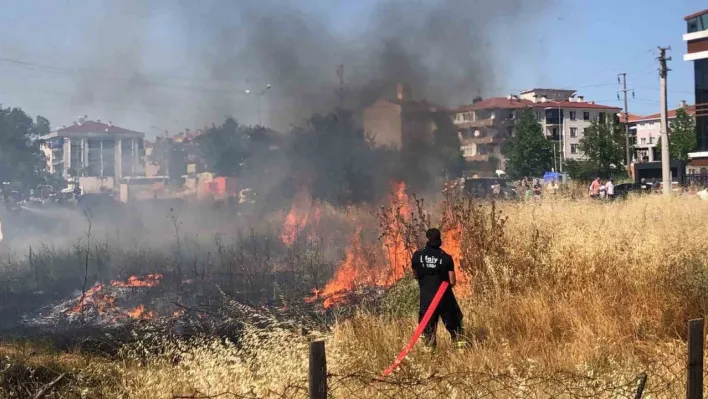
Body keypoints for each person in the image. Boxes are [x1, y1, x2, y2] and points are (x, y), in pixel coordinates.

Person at [412, 228, 465, 352]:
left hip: (426, 300)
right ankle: (460, 352)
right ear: (439, 238)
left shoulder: (417, 255)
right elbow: (452, 281)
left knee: (428, 329)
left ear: (427, 238)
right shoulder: (445, 257)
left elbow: (415, 274)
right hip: (444, 299)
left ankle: (428, 357)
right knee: (455, 325)